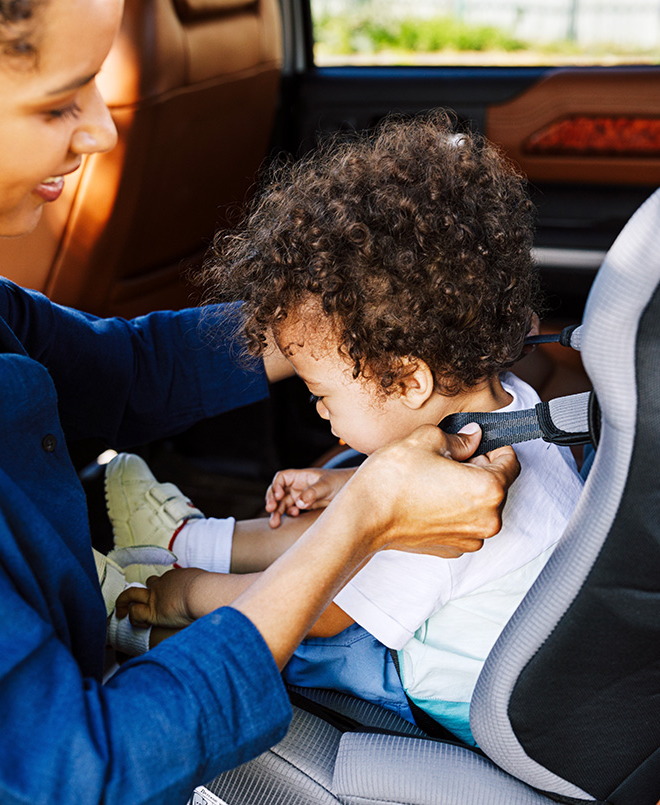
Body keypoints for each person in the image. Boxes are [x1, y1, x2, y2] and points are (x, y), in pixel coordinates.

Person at [0, 2, 520, 803]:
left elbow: (113, 372)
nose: (101, 132)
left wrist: (342, 322)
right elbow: (79, 774)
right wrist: (362, 518)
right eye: (59, 101)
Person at [111, 116, 584, 744]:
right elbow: (357, 529)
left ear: (408, 380)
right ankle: (187, 538)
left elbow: (320, 613)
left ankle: (148, 600)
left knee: (296, 633)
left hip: (448, 688)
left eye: (321, 393)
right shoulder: (513, 406)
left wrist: (191, 594)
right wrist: (352, 490)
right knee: (344, 517)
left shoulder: (459, 518)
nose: (318, 411)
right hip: (523, 647)